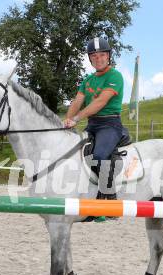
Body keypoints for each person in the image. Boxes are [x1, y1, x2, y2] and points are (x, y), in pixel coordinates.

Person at [64, 37, 124, 200]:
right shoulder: (88, 80)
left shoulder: (115, 76)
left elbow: (100, 102)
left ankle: (110, 198)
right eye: (94, 56)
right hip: (92, 125)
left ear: (108, 56)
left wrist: (76, 119)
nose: (98, 59)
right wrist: (66, 121)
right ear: (90, 59)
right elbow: (77, 102)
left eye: (102, 55)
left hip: (110, 124)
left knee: (99, 156)